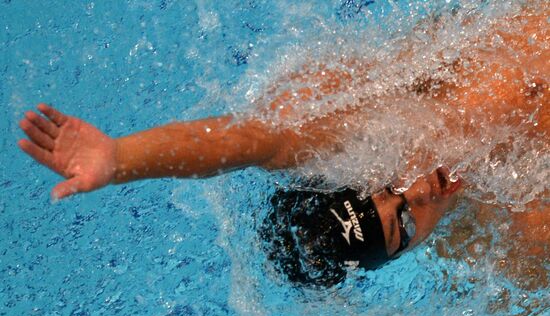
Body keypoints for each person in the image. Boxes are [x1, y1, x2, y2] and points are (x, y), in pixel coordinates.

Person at [17, 7, 548, 286]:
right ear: (400, 256)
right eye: (403, 225)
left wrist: (122, 159)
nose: (418, 191)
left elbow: (252, 141)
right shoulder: (514, 244)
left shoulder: (386, 118)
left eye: (388, 189)